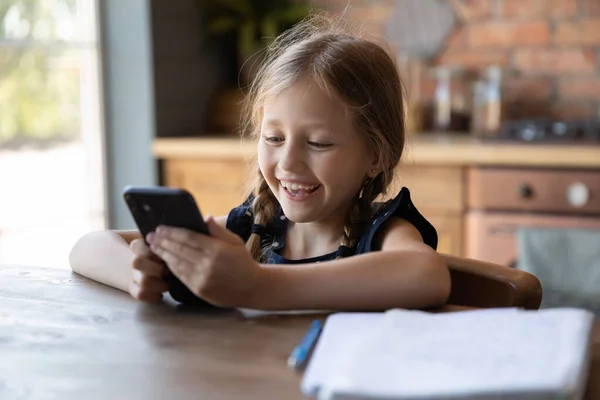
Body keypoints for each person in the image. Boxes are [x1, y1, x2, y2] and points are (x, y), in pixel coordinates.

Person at [69, 12, 450, 311]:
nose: (289, 162)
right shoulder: (256, 225)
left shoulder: (383, 232)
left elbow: (427, 275)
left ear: (376, 156)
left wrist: (257, 285)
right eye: (273, 138)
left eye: (318, 143)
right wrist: (135, 275)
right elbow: (87, 247)